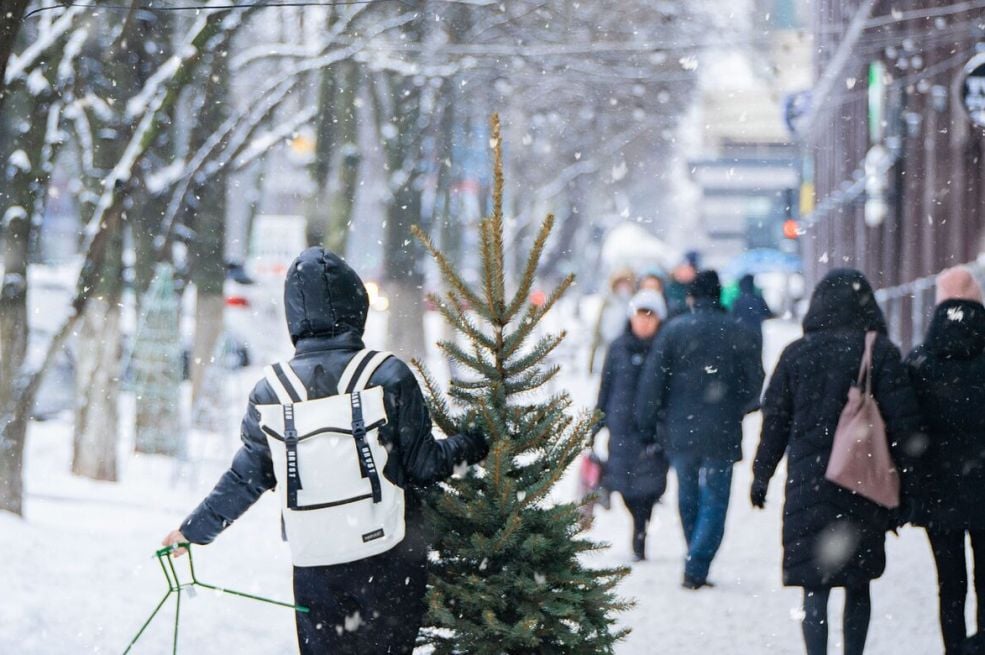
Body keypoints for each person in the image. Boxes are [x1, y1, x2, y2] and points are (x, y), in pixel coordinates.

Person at [161, 247, 488, 655]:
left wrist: (193, 531)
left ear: (293, 315)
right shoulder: (386, 376)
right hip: (389, 559)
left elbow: (246, 479)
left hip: (316, 564)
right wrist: (479, 441)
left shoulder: (271, 393)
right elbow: (426, 465)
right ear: (357, 305)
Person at [751, 268, 923, 655]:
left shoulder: (796, 354)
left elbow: (774, 422)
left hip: (809, 486)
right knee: (858, 584)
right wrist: (909, 487)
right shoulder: (878, 351)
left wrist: (761, 475)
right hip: (862, 483)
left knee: (816, 586)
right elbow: (904, 424)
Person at [636, 270, 764, 588]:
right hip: (722, 430)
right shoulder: (738, 331)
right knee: (716, 499)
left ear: (691, 297)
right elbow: (755, 383)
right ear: (718, 295)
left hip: (681, 430)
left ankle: (694, 555)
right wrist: (738, 408)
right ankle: (698, 561)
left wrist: (648, 424)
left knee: (688, 494)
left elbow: (653, 383)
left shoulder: (673, 332)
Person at [905, 266, 985, 655]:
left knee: (949, 582)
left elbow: (906, 425)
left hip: (938, 490)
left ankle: (954, 648)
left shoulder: (921, 361)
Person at [595, 289, 671, 561]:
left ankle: (641, 531)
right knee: (626, 487)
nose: (644, 322)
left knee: (649, 488)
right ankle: (638, 529)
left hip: (653, 431)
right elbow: (606, 387)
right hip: (621, 428)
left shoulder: (665, 348)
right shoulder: (617, 347)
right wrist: (596, 423)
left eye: (650, 316)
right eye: (640, 315)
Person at [588, 268, 637, 374]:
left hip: (625, 347)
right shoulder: (608, 302)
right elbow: (598, 326)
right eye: (620, 283)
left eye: (626, 284)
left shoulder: (634, 303)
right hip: (606, 345)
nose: (623, 287)